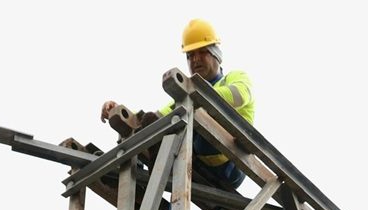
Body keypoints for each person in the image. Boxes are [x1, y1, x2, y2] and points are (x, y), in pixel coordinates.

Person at [100, 19, 255, 190]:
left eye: (202, 52)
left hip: (232, 164)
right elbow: (157, 117)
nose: (195, 59)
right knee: (153, 121)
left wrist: (196, 95)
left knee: (193, 116)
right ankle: (138, 177)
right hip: (200, 161)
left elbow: (240, 94)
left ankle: (156, 174)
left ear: (216, 54)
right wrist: (119, 112)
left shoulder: (234, 77)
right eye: (190, 55)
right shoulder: (188, 96)